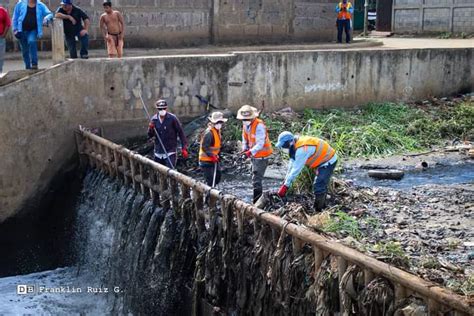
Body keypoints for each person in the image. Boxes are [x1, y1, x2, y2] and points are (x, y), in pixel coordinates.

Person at [275, 131, 338, 213]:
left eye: (283, 146)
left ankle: (318, 210)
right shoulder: (294, 144)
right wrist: (285, 180)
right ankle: (323, 204)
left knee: (319, 185)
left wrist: (286, 186)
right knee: (320, 184)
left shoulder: (302, 150)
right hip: (320, 159)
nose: (283, 148)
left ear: (289, 143)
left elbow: (296, 169)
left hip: (328, 159)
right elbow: (291, 164)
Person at [236, 105, 273, 203]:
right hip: (254, 155)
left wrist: (249, 152)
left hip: (262, 156)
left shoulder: (259, 126)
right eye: (243, 119)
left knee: (256, 180)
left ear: (252, 117)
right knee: (255, 178)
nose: (245, 120)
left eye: (247, 119)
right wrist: (245, 148)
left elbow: (260, 144)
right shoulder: (245, 125)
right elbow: (244, 137)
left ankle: (257, 202)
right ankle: (257, 200)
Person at [12, 0, 53, 69]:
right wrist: (15, 29)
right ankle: (27, 67)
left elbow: (50, 14)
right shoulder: (21, 3)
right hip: (21, 30)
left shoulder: (40, 5)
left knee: (32, 41)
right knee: (25, 51)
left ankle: (34, 64)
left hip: (33, 30)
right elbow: (15, 17)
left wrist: (46, 18)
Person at [147, 99, 188, 169]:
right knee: (158, 172)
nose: (162, 110)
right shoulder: (154, 119)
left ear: (166, 108)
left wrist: (184, 147)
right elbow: (150, 135)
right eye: (160, 109)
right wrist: (151, 128)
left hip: (170, 152)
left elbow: (180, 132)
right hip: (158, 152)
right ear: (157, 109)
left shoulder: (172, 119)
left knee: (170, 172)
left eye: (164, 108)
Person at [199, 112, 227, 187]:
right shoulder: (209, 133)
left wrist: (217, 156)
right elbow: (204, 147)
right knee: (211, 181)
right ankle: (208, 195)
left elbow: (217, 146)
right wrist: (212, 156)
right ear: (213, 122)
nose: (219, 124)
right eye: (218, 122)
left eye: (220, 122)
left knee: (218, 176)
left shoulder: (218, 132)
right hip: (206, 161)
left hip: (214, 159)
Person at [0, 5, 11, 73]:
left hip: (0, 37)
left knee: (0, 56)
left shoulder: (2, 11)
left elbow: (8, 23)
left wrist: (4, 35)